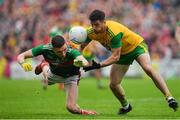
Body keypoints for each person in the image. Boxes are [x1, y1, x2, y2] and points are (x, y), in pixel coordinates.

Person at [81, 9, 178, 114]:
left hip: (136, 47)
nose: (94, 28)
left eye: (97, 24)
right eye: (92, 25)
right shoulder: (90, 32)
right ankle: (126, 106)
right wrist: (77, 58)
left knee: (147, 68)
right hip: (123, 54)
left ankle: (169, 97)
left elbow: (115, 57)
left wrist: (99, 65)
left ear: (104, 22)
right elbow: (82, 46)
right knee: (113, 85)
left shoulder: (113, 32)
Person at [17, 35, 97, 115]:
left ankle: (86, 112)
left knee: (71, 108)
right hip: (54, 75)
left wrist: (81, 63)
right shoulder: (44, 48)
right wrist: (23, 63)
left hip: (71, 77)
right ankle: (43, 65)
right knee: (45, 79)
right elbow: (21, 56)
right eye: (59, 52)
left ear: (65, 44)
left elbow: (85, 62)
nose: (63, 54)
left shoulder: (72, 51)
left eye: (64, 50)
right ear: (52, 48)